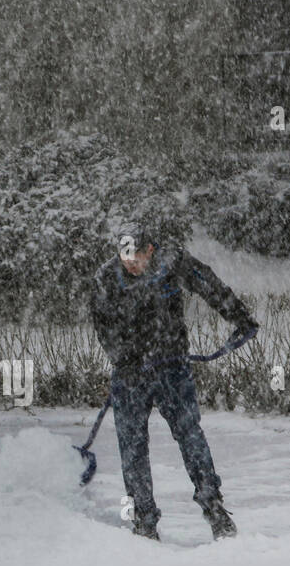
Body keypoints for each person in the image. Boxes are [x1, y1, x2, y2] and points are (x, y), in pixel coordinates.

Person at [88, 222, 258, 541]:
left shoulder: (172, 262)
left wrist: (240, 317)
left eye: (135, 256)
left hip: (172, 368)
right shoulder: (106, 277)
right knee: (132, 446)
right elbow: (103, 326)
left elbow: (209, 286)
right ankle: (144, 520)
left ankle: (214, 509)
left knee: (190, 435)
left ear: (149, 250)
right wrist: (125, 356)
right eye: (124, 257)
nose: (130, 264)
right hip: (130, 374)